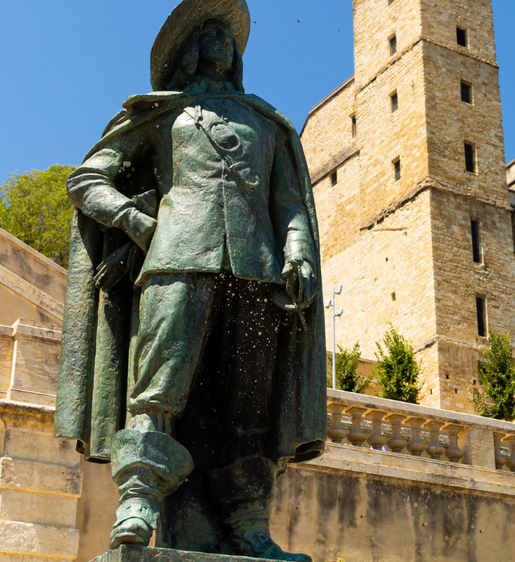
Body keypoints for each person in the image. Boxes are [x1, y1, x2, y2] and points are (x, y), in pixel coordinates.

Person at [54, 2, 325, 560]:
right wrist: (131, 219)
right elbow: (87, 179)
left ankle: (249, 525)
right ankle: (138, 499)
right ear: (188, 50)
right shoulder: (162, 115)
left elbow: (289, 202)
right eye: (209, 33)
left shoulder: (266, 122)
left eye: (228, 36)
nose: (222, 42)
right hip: (176, 258)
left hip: (258, 272)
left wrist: (298, 250)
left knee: (248, 408)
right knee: (158, 388)